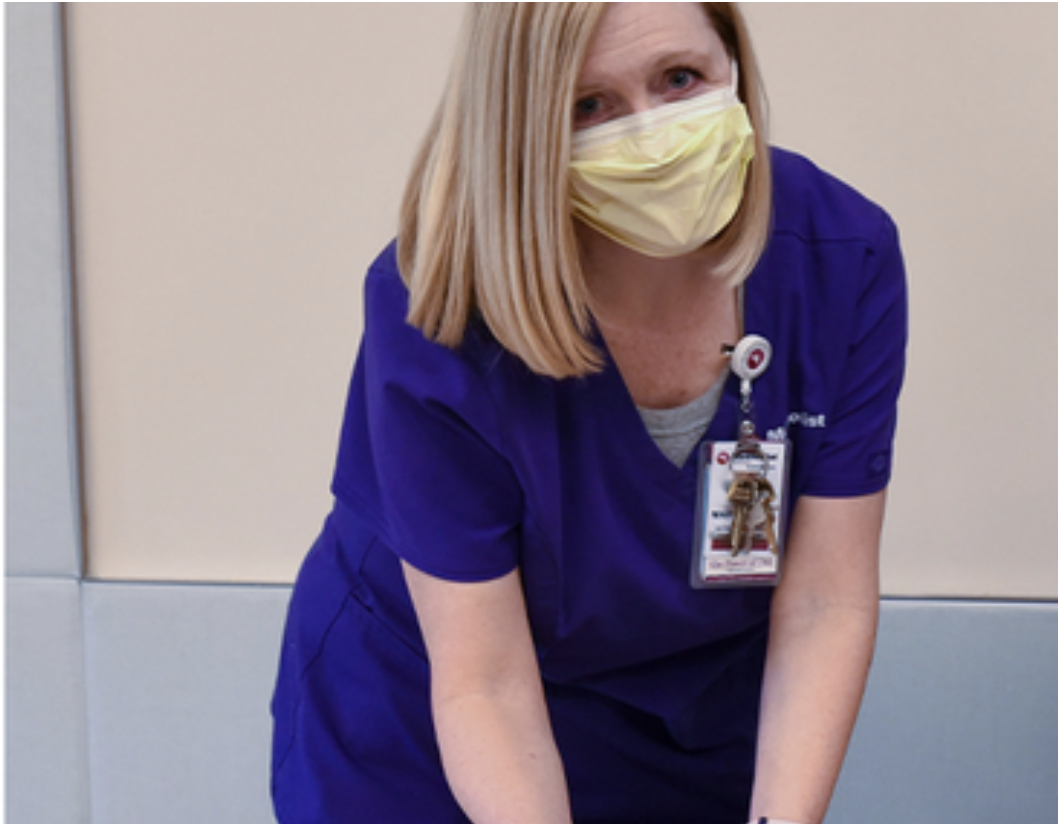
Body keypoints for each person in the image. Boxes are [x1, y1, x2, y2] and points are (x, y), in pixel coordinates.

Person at [270, 4, 907, 824]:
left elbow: (826, 602)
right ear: (523, 126)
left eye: (680, 79)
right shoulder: (441, 307)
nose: (651, 133)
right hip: (424, 726)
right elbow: (486, 683)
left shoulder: (839, 256)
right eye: (588, 106)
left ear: (733, 62)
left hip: (687, 723)